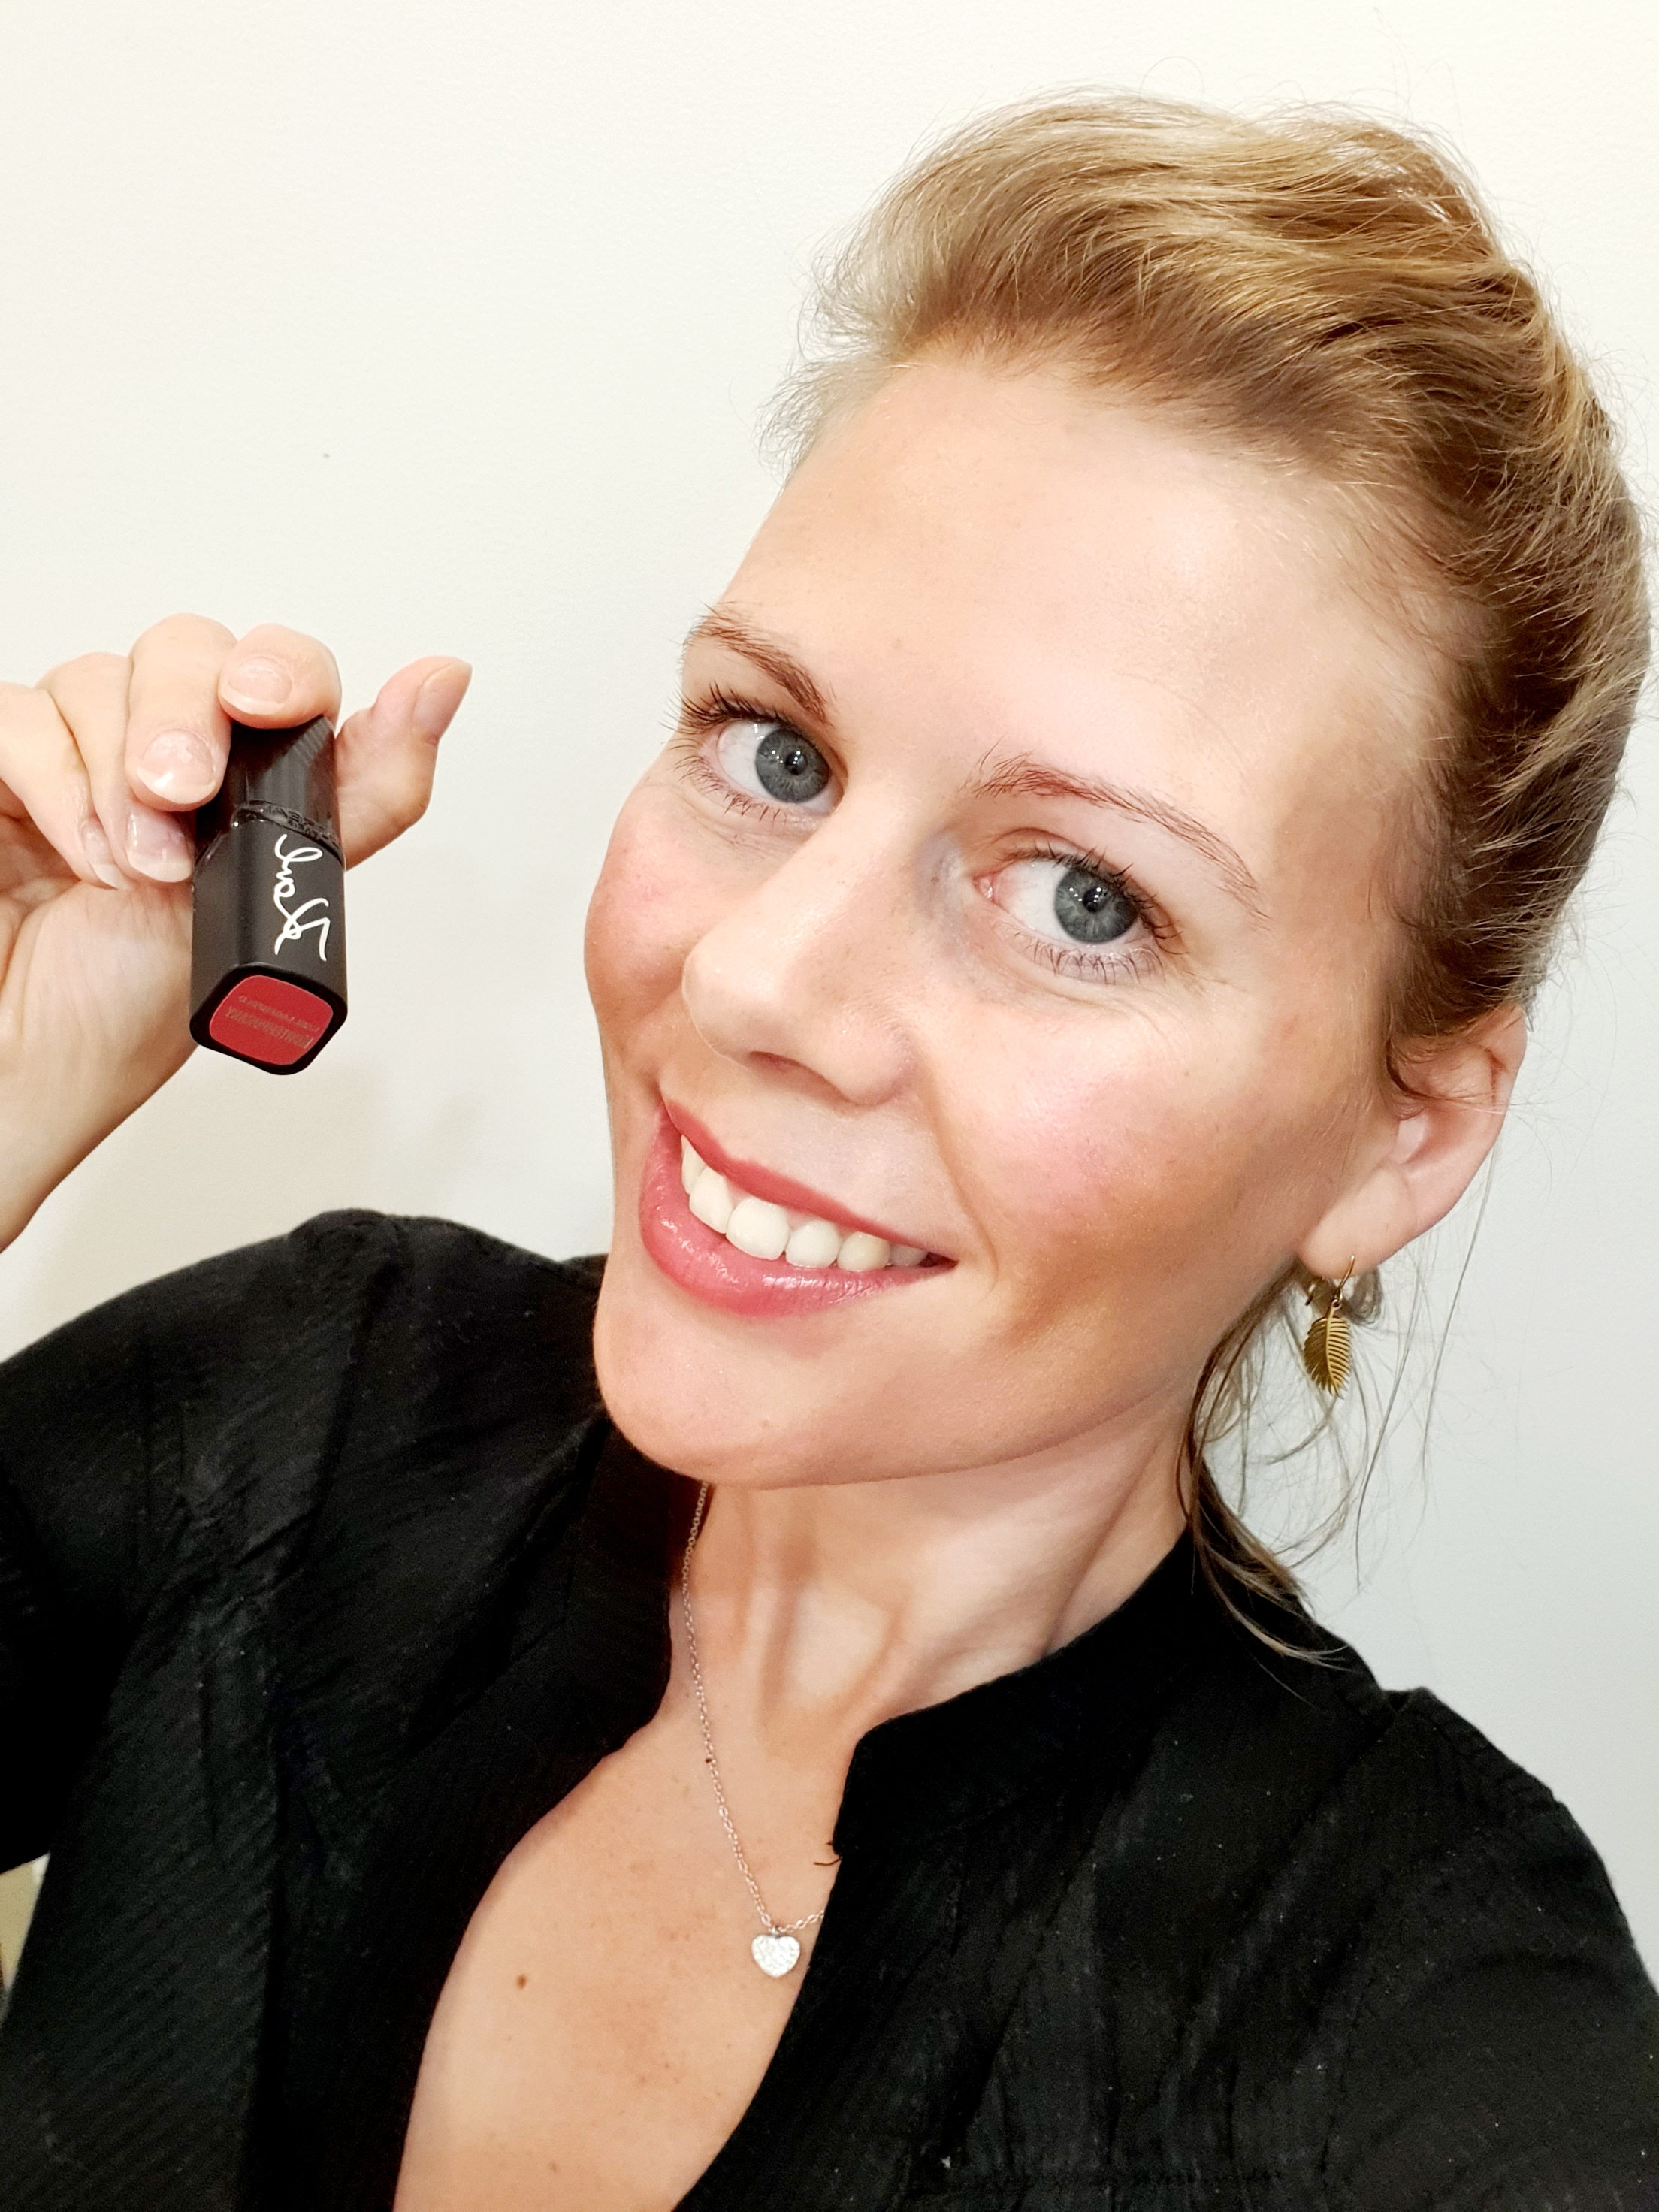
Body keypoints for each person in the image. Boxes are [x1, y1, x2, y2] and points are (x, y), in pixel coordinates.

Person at [0, 91, 1654, 2212]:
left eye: (1084, 900)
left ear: (1400, 1136)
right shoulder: (305, 1410)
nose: (758, 978)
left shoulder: (1410, 2010)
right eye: (776, 752)